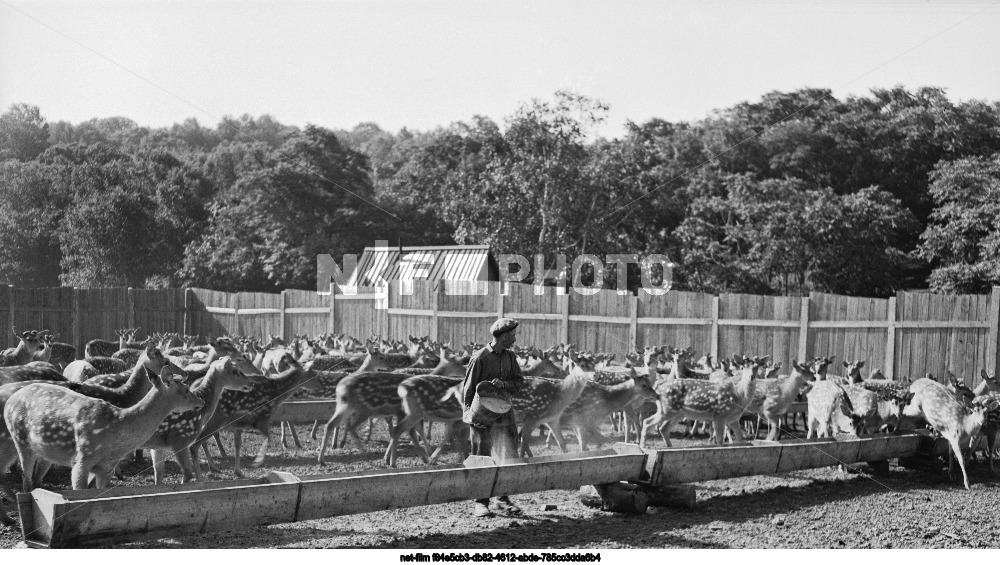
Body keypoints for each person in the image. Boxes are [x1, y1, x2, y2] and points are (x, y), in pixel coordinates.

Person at [462, 317, 524, 518]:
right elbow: (468, 390)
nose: (514, 339)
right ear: (504, 336)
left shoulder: (510, 358)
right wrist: (470, 418)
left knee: (509, 456)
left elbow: (518, 383)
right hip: (483, 417)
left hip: (506, 415)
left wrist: (504, 385)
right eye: (512, 336)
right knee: (483, 456)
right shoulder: (480, 358)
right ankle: (480, 503)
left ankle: (502, 499)